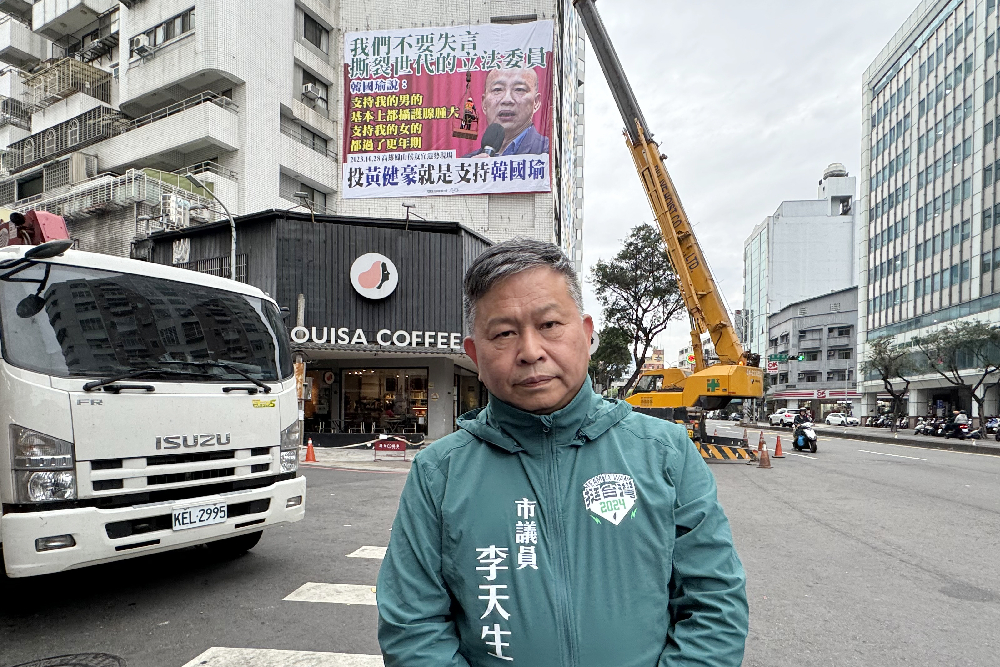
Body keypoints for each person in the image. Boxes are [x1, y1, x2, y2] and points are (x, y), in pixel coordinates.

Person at [377, 239, 748, 666]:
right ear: (475, 355)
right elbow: (413, 628)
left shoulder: (665, 453)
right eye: (504, 333)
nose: (531, 351)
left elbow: (714, 605)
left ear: (587, 334)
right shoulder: (438, 474)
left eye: (550, 324)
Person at [464, 68, 550, 157]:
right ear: (484, 103)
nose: (507, 100)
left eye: (519, 89)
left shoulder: (548, 154)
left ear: (536, 102)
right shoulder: (468, 163)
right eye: (497, 90)